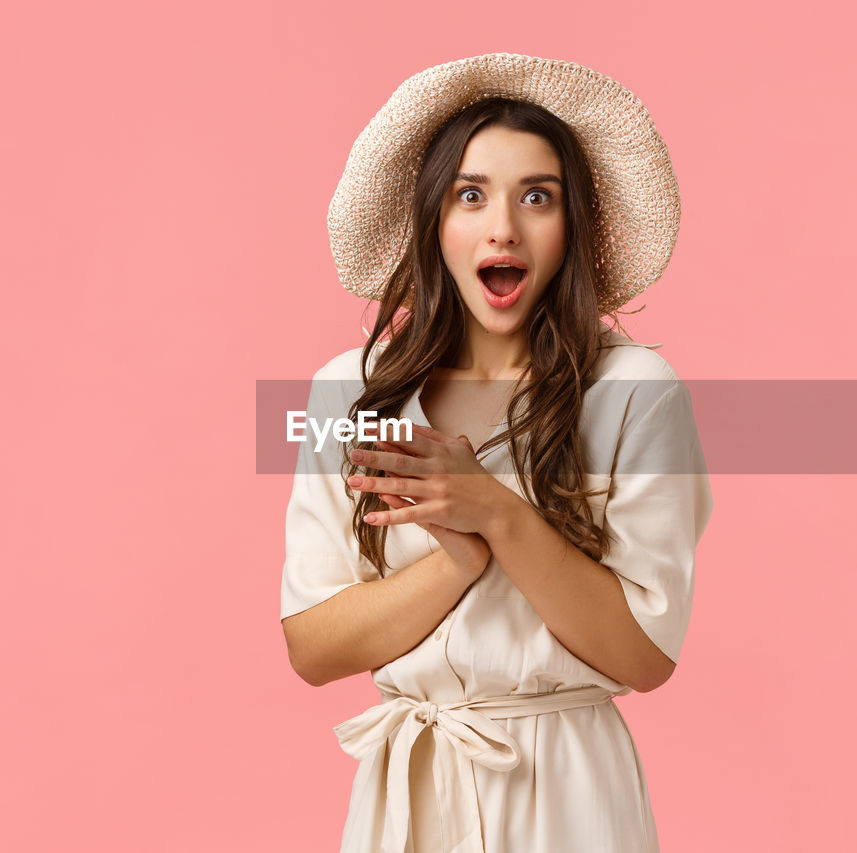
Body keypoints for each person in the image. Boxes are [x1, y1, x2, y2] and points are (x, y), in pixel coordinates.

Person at [280, 53, 714, 853]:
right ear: (433, 221)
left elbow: (644, 655)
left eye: (537, 197)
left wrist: (494, 512)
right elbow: (313, 645)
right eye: (470, 194)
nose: (503, 226)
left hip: (570, 795)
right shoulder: (347, 392)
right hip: (409, 792)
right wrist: (457, 560)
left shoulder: (637, 392)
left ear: (572, 225)